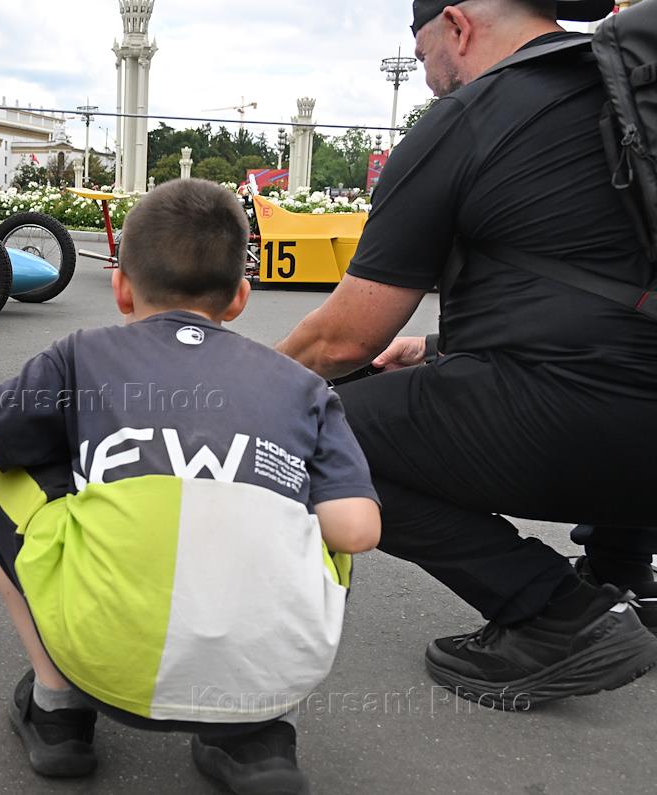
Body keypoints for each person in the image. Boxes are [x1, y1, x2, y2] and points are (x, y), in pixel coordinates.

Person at [0, 179, 381, 794]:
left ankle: (58, 707)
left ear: (121, 288)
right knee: (321, 515)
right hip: (270, 676)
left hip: (105, 662)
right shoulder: (303, 386)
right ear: (240, 297)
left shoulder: (82, 356)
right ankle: (258, 732)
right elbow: (358, 529)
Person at [275, 0, 657, 710]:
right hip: (638, 445)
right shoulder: (631, 93)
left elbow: (344, 339)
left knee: (312, 430)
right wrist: (437, 348)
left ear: (456, 25)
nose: (427, 77)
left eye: (422, 56)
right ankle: (627, 576)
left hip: (588, 428)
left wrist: (243, 386)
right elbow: (612, 291)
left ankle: (555, 616)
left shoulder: (472, 116)